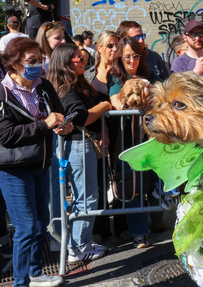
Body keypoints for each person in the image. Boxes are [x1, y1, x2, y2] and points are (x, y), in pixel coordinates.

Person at [0, 36, 72, 287]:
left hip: (42, 164)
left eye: (39, 59)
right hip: (14, 170)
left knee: (41, 223)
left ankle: (35, 272)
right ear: (14, 65)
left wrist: (63, 125)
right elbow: (5, 135)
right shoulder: (3, 92)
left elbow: (57, 113)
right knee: (26, 228)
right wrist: (44, 125)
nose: (38, 65)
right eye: (31, 61)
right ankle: (20, 282)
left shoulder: (43, 86)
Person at [47, 44, 112, 263]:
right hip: (77, 146)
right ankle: (78, 248)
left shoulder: (72, 85)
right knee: (86, 197)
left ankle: (79, 242)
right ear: (65, 62)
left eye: (82, 57)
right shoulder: (66, 89)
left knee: (84, 196)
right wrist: (105, 105)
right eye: (77, 58)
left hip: (79, 146)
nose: (83, 60)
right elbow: (82, 117)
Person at [108, 36, 162, 247]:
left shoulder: (150, 75)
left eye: (136, 56)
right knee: (133, 185)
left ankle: (160, 218)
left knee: (156, 180)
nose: (132, 60)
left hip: (151, 138)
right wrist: (128, 103)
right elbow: (116, 101)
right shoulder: (115, 77)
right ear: (121, 57)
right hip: (127, 139)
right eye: (128, 56)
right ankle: (139, 232)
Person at [83, 31, 120, 241]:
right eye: (110, 46)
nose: (114, 50)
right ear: (99, 48)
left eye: (116, 46)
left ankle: (123, 225)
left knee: (120, 176)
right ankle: (101, 228)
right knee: (98, 179)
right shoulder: (88, 74)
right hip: (96, 133)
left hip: (120, 131)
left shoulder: (119, 74)